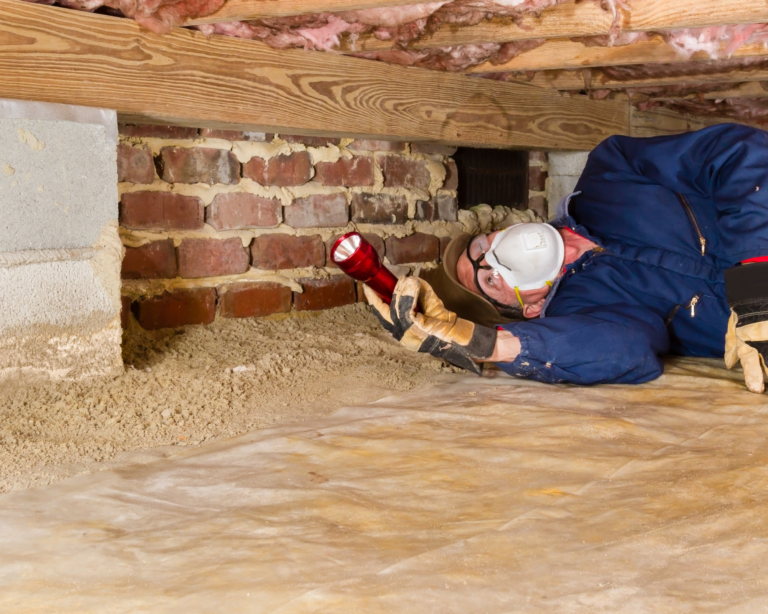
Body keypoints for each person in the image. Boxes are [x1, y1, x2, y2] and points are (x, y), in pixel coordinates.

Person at [365, 124, 768, 393]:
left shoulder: (611, 172)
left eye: (481, 248)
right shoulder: (583, 312)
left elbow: (738, 154)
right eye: (489, 280)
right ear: (530, 307)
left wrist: (755, 287)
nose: (495, 258)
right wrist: (489, 345)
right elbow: (625, 351)